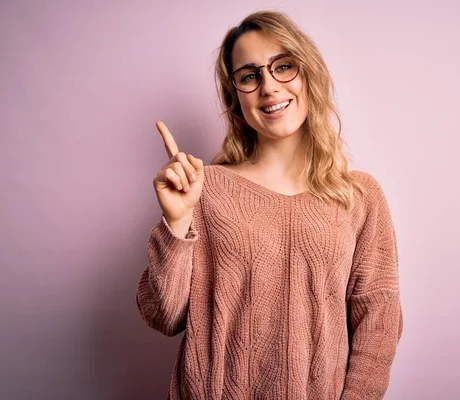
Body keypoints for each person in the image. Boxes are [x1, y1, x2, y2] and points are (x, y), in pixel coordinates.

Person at [136, 10, 403, 400]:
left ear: (308, 72)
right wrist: (176, 222)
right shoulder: (204, 189)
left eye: (283, 67)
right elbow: (164, 316)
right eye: (250, 76)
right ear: (235, 96)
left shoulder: (359, 197)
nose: (269, 87)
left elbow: (378, 324)